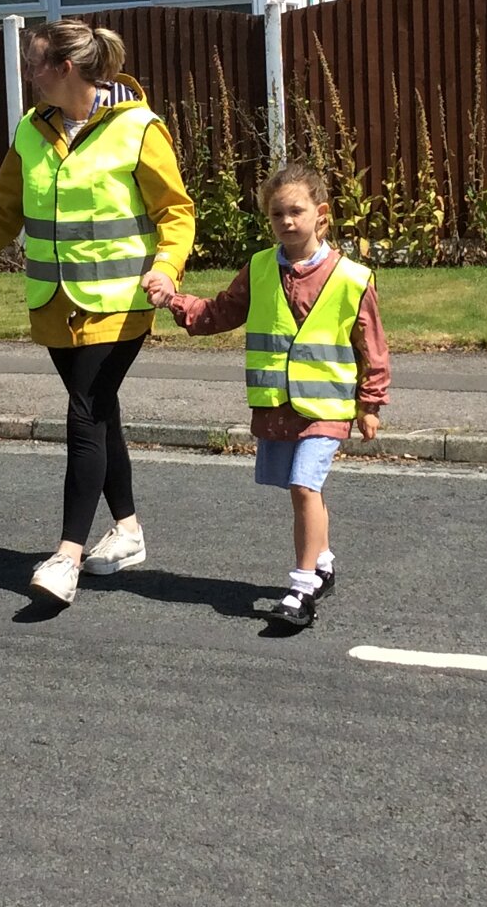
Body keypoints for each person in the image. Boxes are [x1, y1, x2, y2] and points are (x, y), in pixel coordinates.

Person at [0, 19, 194, 608]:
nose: (28, 73)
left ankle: (66, 556)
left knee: (84, 416)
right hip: (55, 305)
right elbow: (2, 213)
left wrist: (167, 269)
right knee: (102, 416)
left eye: (35, 63)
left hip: (121, 303)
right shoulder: (31, 130)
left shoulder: (138, 128)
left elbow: (176, 212)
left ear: (65, 68)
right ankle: (126, 529)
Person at [153, 162, 389, 629]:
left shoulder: (351, 277)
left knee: (305, 485)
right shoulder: (260, 268)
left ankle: (301, 590)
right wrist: (172, 300)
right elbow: (218, 313)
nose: (286, 222)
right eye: (276, 214)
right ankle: (322, 563)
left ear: (320, 214)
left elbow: (372, 345)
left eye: (296, 211)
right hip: (278, 407)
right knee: (301, 489)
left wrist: (370, 403)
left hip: (326, 408)